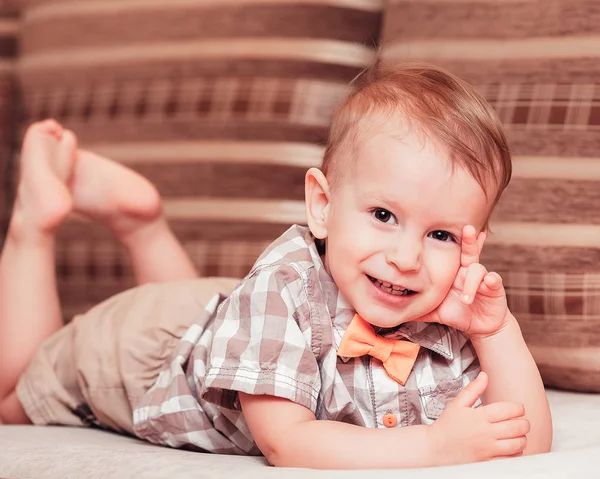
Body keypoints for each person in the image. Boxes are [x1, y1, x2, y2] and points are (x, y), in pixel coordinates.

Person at [0, 62, 552, 469]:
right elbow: (286, 443)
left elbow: (526, 439)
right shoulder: (281, 290)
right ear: (322, 205)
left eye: (440, 234)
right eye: (383, 214)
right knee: (9, 400)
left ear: (473, 243)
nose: (406, 258)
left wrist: (496, 330)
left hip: (225, 319)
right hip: (142, 347)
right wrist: (433, 447)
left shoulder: (442, 311)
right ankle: (34, 223)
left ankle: (140, 222)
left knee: (210, 316)